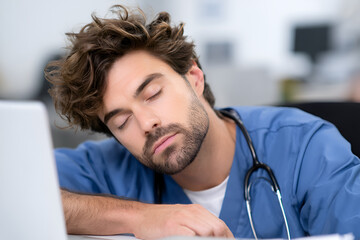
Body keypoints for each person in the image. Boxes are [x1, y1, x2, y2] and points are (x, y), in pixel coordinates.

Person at [45, 5, 360, 239]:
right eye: (121, 121)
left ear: (193, 77)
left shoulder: (305, 147)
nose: (146, 123)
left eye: (152, 93)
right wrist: (136, 217)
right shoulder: (109, 168)